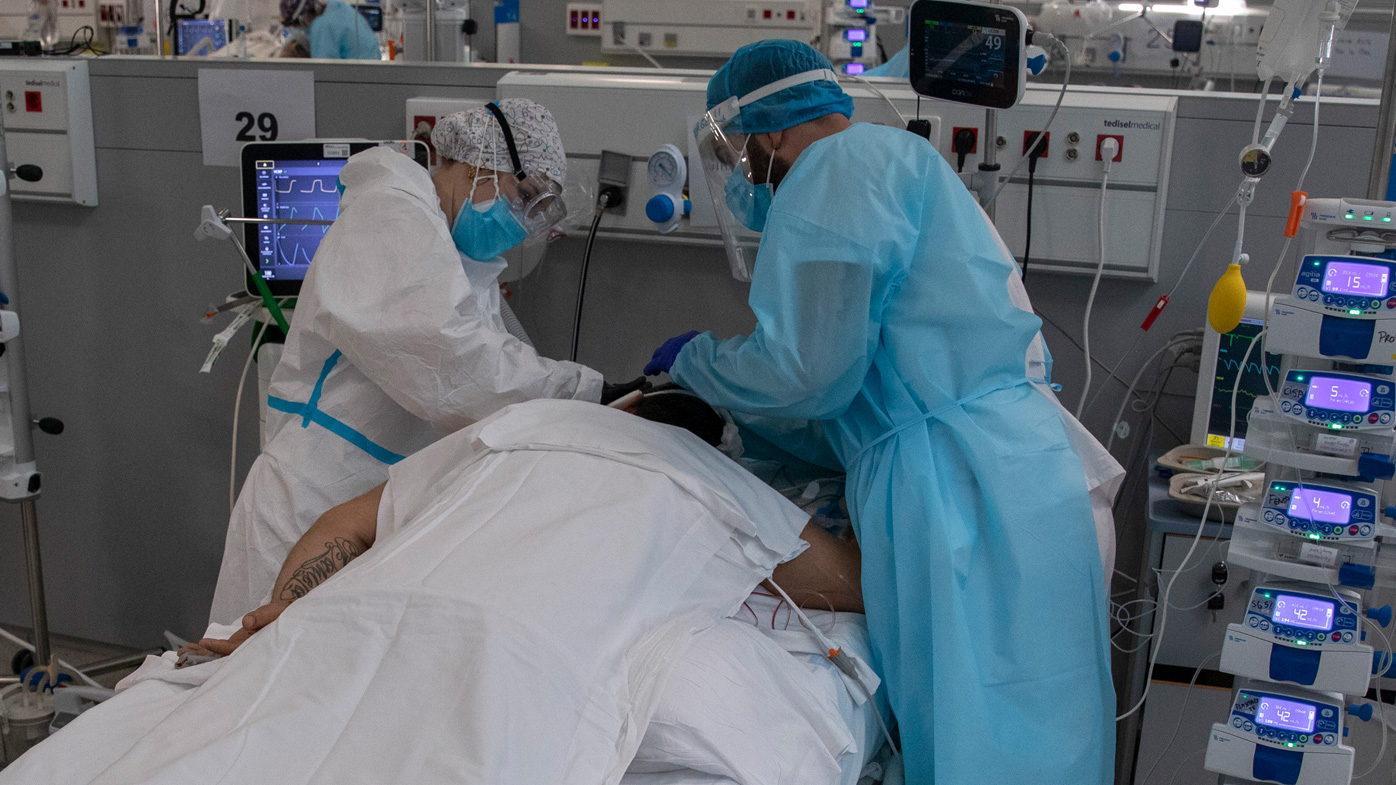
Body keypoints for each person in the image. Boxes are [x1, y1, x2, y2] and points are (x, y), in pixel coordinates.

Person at [645, 40, 1124, 785]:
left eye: (736, 151)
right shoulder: (900, 160)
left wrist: (698, 362)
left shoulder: (830, 173)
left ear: (768, 130)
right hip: (1022, 473)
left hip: (960, 495)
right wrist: (752, 430)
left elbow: (807, 374)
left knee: (979, 742)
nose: (742, 173)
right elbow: (859, 388)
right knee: (1040, 735)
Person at [2, 398, 861, 784]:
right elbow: (850, 587)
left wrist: (282, 606)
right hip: (516, 657)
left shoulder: (514, 431)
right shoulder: (712, 478)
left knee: (234, 733)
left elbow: (347, 523)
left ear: (629, 405)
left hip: (354, 618)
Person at [209, 101, 639, 624]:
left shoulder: (454, 258)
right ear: (479, 160)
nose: (523, 221)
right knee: (253, 681)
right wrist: (590, 393)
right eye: (523, 197)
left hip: (375, 508)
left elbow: (490, 368)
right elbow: (455, 363)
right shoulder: (390, 215)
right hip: (311, 504)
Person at [278, 0, 379, 59]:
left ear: (303, 18)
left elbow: (323, 73)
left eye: (296, 26)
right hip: (372, 69)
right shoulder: (335, 6)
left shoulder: (322, 27)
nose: (297, 30)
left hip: (360, 79)